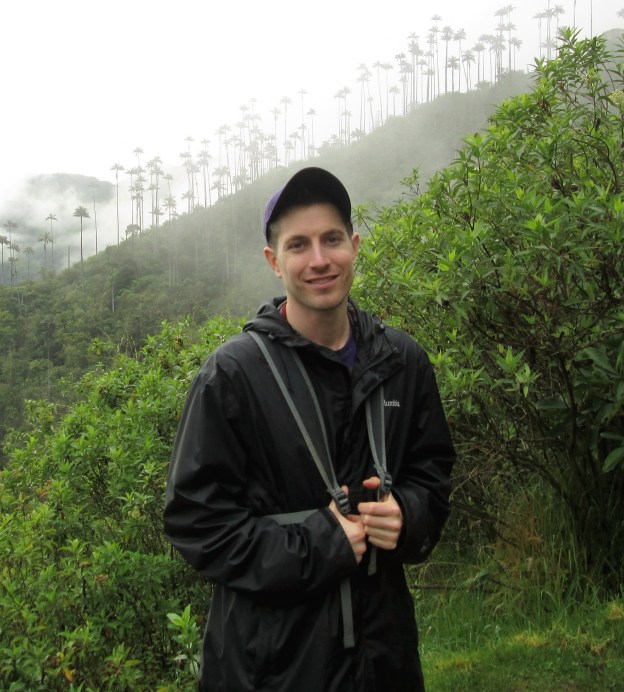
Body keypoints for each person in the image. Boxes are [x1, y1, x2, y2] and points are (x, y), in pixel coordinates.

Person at [163, 166, 455, 690]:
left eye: (332, 239)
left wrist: (408, 515)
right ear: (274, 261)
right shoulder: (233, 376)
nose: (319, 259)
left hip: (384, 658)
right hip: (271, 667)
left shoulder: (401, 361)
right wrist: (317, 545)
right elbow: (196, 522)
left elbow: (432, 475)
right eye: (298, 245)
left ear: (354, 246)